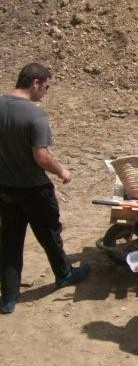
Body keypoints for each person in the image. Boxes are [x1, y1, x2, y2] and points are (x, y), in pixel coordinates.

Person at [0, 63, 90, 315]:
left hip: (6, 189)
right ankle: (64, 274)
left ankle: (8, 297)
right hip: (35, 190)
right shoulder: (35, 115)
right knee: (50, 234)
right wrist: (62, 171)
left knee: (9, 242)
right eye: (46, 86)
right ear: (36, 83)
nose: (46, 92)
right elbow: (41, 155)